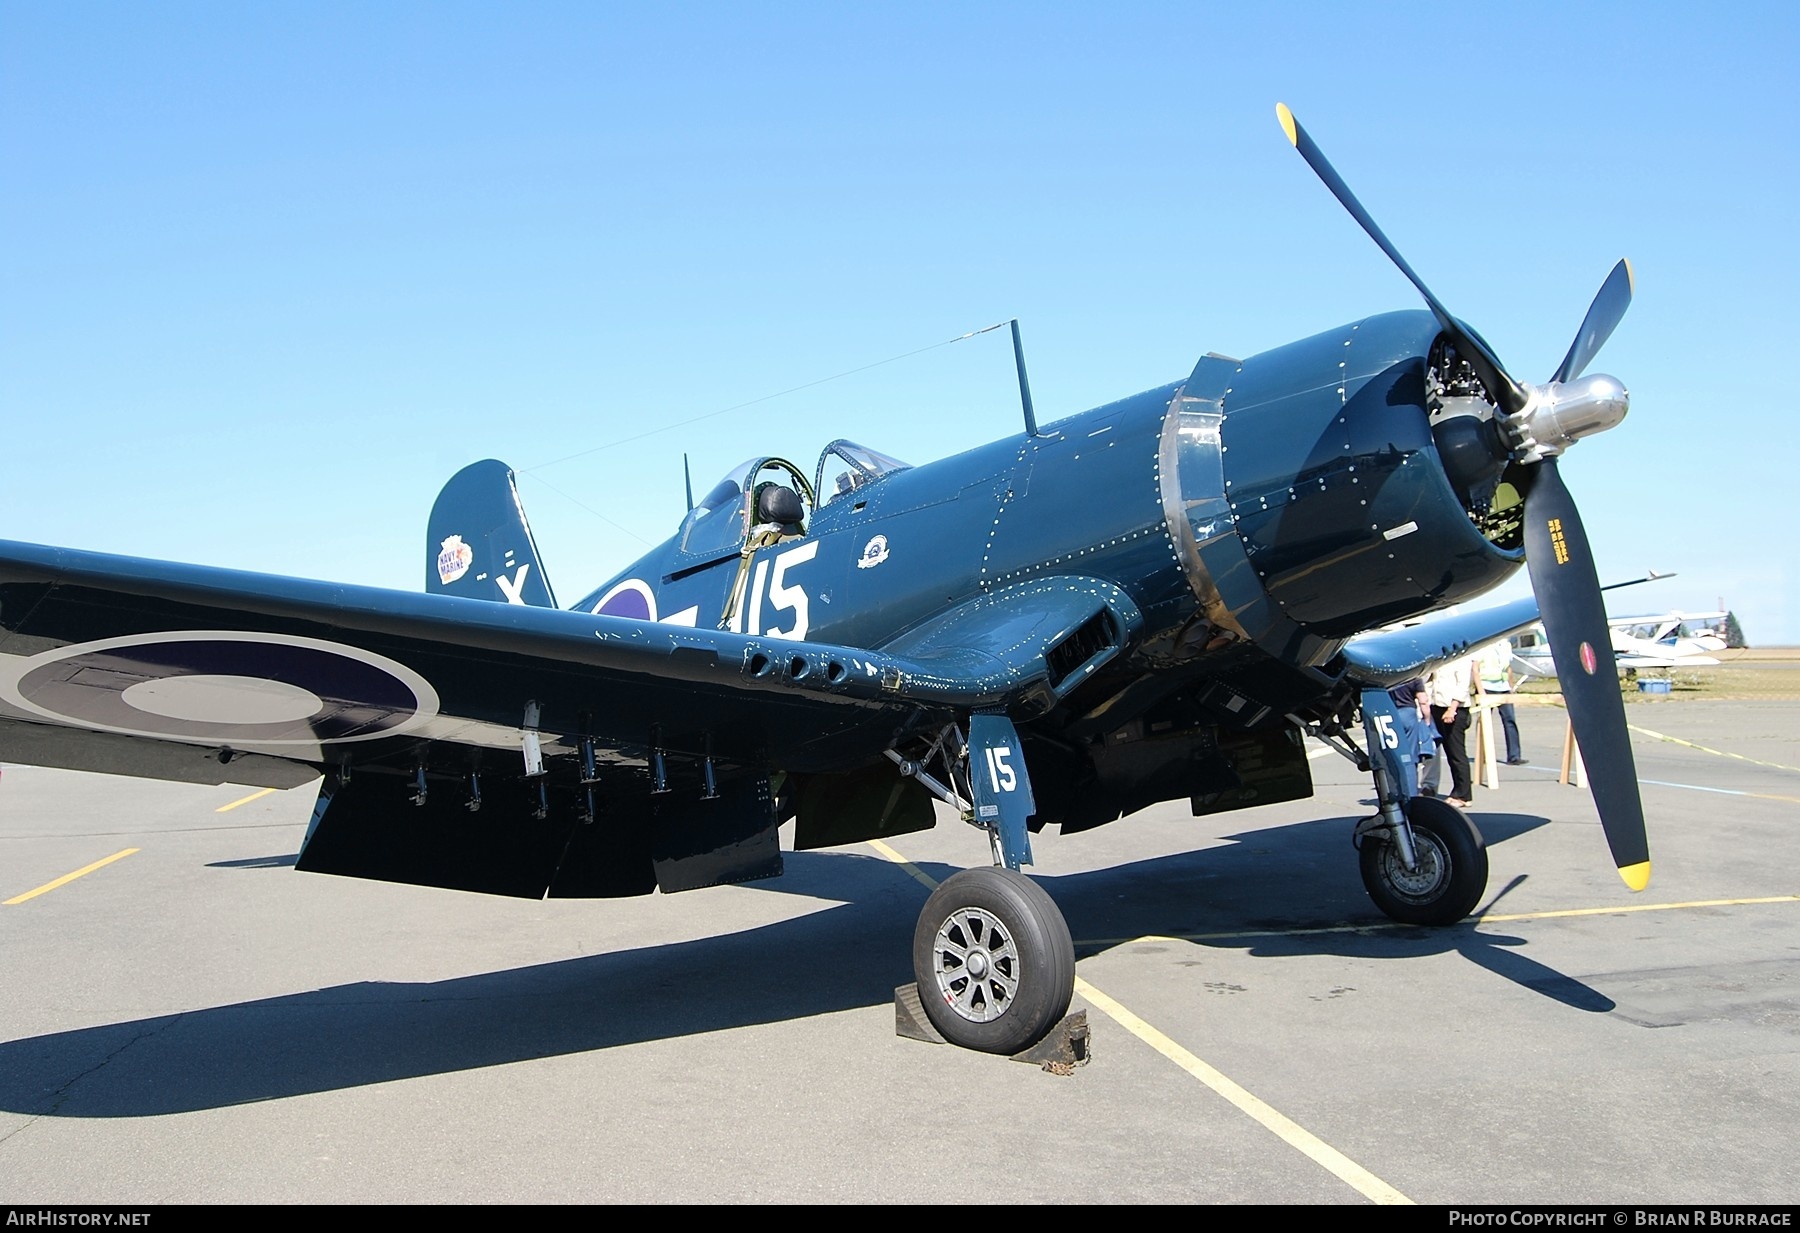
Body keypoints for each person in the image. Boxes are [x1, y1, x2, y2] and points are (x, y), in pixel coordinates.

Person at [1420, 653, 1476, 807]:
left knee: (1456, 753)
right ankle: (1446, 789)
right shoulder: (1439, 660)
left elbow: (1462, 686)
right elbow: (1430, 681)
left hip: (1454, 709)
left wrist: (1452, 709)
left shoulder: (1462, 660)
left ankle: (1463, 794)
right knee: (1437, 750)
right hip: (1436, 707)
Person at [1477, 639, 1525, 765]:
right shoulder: (1482, 644)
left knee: (1510, 720)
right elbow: (1475, 669)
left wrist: (1511, 686)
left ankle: (1514, 755)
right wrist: (1481, 691)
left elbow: (1508, 667)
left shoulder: (1505, 644)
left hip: (1503, 687)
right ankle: (1482, 754)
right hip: (1486, 686)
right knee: (1484, 722)